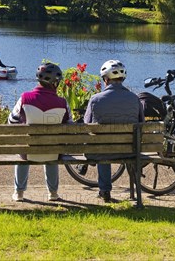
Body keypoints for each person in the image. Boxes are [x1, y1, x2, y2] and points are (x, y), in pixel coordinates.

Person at [8, 63, 73, 202]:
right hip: (53, 151)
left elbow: (11, 122)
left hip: (28, 151)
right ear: (55, 82)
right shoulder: (62, 102)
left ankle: (19, 193)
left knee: (22, 147)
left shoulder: (25, 98)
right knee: (52, 148)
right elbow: (70, 126)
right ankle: (53, 193)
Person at [84, 59, 144, 202]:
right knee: (105, 146)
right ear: (122, 78)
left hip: (103, 150)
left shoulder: (95, 99)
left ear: (105, 79)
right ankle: (137, 196)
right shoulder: (135, 99)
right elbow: (142, 123)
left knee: (102, 147)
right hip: (130, 150)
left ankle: (105, 191)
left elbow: (87, 124)